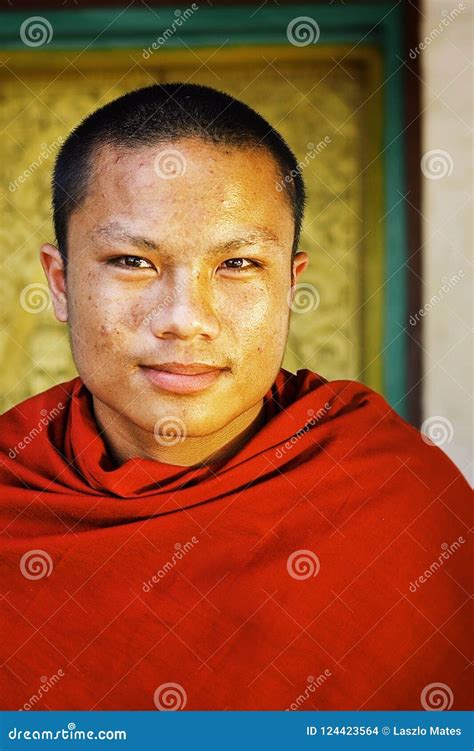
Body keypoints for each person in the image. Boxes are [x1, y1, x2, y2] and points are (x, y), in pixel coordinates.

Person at [0, 83, 471, 712]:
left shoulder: (394, 498)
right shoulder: (14, 490)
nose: (186, 319)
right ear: (60, 285)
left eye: (240, 265)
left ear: (289, 286)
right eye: (132, 261)